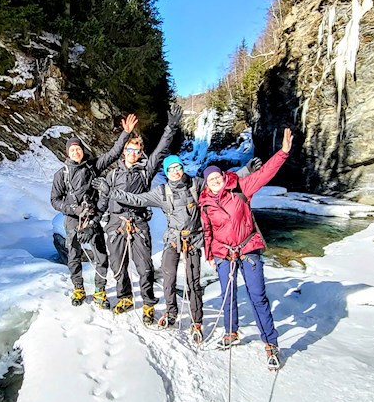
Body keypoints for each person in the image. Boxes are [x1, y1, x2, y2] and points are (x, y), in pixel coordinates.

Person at [97, 154, 262, 343]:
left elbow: (220, 180)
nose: (175, 172)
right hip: (173, 241)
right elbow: (136, 199)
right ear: (166, 172)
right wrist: (110, 191)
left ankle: (196, 320)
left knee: (193, 283)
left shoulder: (196, 185)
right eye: (171, 169)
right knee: (169, 279)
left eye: (178, 167)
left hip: (192, 240)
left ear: (182, 168)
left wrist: (246, 171)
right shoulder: (162, 192)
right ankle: (171, 312)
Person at [199, 127, 293, 370]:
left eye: (217, 177)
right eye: (210, 179)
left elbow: (265, 174)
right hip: (223, 254)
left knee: (257, 296)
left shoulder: (241, 188)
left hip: (248, 249)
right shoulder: (205, 202)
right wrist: (209, 252)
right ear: (206, 184)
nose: (215, 181)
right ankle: (231, 332)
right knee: (227, 295)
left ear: (222, 176)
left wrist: (282, 153)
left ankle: (271, 343)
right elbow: (207, 229)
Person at [97, 106, 182, 324]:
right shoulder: (112, 174)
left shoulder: (146, 171)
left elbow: (161, 151)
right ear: (124, 151)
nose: (133, 154)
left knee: (144, 267)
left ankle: (147, 303)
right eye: (129, 150)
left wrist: (170, 127)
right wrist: (94, 219)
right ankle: (124, 297)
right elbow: (103, 202)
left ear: (140, 152)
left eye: (137, 151)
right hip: (115, 224)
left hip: (138, 223)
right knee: (118, 265)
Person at [50, 114, 138, 308]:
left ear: (83, 150)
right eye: (72, 150)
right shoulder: (61, 175)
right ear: (67, 153)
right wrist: (72, 208)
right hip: (73, 220)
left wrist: (126, 133)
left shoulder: (93, 167)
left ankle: (100, 291)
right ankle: (78, 288)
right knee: (74, 254)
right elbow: (54, 200)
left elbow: (114, 154)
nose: (76, 152)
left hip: (92, 218)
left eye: (78, 149)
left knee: (101, 255)